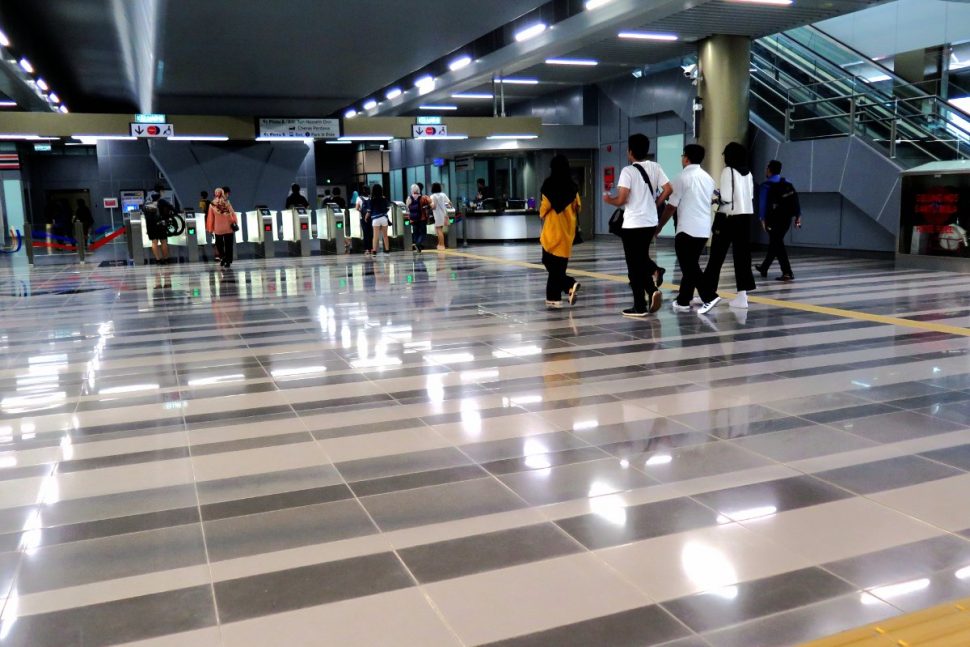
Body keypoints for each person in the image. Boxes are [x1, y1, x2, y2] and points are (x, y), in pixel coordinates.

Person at [603, 133, 673, 317]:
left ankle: (640, 305)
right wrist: (655, 203)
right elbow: (668, 189)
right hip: (650, 222)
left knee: (634, 265)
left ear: (630, 152)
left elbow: (622, 199)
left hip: (633, 223)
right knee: (639, 259)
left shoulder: (628, 171)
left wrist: (608, 199)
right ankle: (651, 289)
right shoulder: (655, 167)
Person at [657, 144, 722, 315]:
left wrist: (659, 227)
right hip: (703, 229)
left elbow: (671, 207)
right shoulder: (708, 179)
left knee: (689, 266)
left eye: (682, 156)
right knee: (690, 264)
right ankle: (683, 300)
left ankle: (709, 296)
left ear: (686, 158)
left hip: (686, 229)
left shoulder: (680, 178)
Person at [703, 142, 757, 309]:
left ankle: (709, 293)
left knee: (716, 257)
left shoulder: (728, 171)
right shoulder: (748, 173)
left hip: (727, 218)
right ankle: (742, 296)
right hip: (746, 217)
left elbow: (726, 197)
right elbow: (750, 195)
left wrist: (714, 198)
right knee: (742, 257)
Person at [539, 154, 582, 309]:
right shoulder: (573, 186)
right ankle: (554, 297)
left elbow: (544, 207)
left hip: (552, 232)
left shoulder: (549, 184)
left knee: (548, 262)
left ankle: (569, 283)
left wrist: (542, 212)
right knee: (559, 267)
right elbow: (578, 207)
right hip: (567, 232)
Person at [755, 160, 802, 282]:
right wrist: (798, 216)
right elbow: (795, 200)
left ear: (769, 170)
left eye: (767, 169)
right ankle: (764, 267)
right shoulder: (787, 183)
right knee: (776, 242)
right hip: (786, 219)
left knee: (777, 244)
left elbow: (763, 204)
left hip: (773, 220)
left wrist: (762, 219)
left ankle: (787, 272)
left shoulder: (766, 185)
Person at [206, 187, 238, 269]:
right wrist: (235, 222)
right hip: (228, 227)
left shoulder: (212, 204)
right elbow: (232, 214)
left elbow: (211, 217)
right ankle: (228, 261)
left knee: (219, 244)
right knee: (229, 245)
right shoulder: (227, 203)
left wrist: (210, 228)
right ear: (223, 193)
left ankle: (223, 257)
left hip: (218, 228)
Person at [142, 190, 175, 264]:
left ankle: (158, 260)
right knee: (163, 242)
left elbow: (143, 212)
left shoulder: (146, 204)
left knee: (154, 242)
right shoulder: (162, 202)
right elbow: (172, 209)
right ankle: (166, 259)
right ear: (159, 197)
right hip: (161, 225)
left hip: (151, 226)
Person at [406, 183, 430, 253]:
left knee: (415, 233)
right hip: (422, 218)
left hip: (413, 218)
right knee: (423, 233)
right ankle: (418, 244)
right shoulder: (423, 197)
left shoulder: (409, 198)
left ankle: (418, 247)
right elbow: (430, 204)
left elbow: (407, 208)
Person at [429, 182, 453, 250]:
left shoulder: (432, 196)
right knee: (440, 230)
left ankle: (442, 245)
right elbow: (450, 203)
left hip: (437, 214)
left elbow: (432, 206)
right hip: (444, 214)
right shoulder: (443, 195)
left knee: (439, 230)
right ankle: (439, 244)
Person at [368, 184, 391, 254]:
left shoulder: (372, 200)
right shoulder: (384, 199)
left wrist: (366, 216)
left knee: (375, 236)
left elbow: (369, 210)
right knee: (385, 235)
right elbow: (388, 208)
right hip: (384, 218)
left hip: (375, 219)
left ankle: (374, 250)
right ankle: (387, 250)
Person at [357, 187, 374, 255]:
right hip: (371, 217)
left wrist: (362, 211)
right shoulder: (371, 198)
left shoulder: (359, 198)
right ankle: (372, 248)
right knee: (371, 233)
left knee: (365, 233)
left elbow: (357, 208)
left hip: (363, 218)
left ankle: (367, 249)